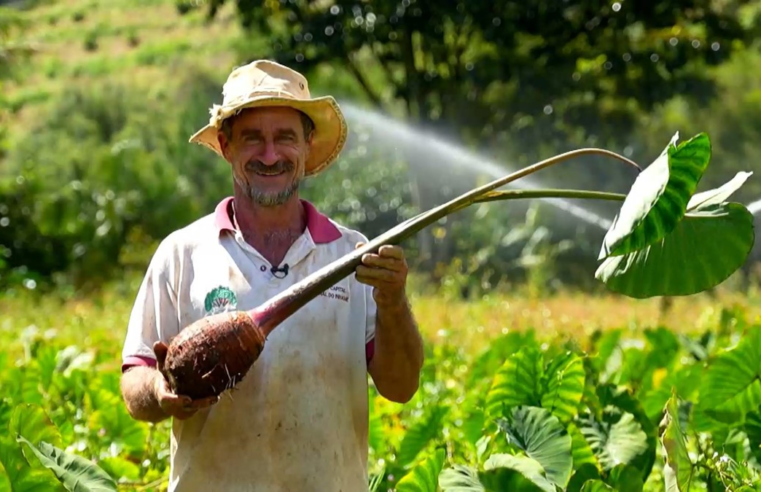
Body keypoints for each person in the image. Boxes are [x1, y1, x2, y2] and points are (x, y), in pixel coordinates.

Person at [119, 60, 424, 491]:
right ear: (226, 146)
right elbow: (135, 381)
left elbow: (402, 387)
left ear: (307, 144)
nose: (269, 155)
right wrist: (161, 391)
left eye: (284, 138)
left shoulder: (352, 255)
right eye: (252, 139)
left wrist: (393, 301)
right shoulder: (182, 253)